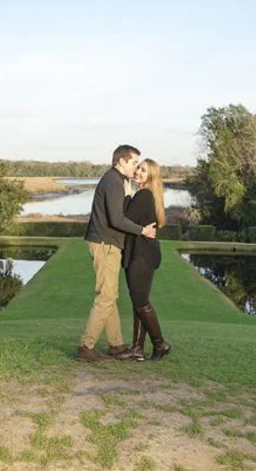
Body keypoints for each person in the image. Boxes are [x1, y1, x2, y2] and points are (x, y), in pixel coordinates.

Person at [76, 145, 157, 362]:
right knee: (107, 295)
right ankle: (86, 346)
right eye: (133, 163)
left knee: (111, 294)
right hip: (105, 244)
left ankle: (116, 344)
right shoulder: (113, 182)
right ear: (121, 161)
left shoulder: (117, 181)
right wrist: (142, 230)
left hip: (108, 244)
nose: (135, 167)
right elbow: (116, 219)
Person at [119, 159, 173, 361]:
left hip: (141, 256)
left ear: (150, 176)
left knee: (141, 302)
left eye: (143, 170)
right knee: (137, 301)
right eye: (138, 168)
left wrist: (125, 194)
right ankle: (137, 348)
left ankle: (160, 343)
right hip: (143, 253)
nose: (138, 172)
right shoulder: (149, 196)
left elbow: (124, 218)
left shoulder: (143, 195)